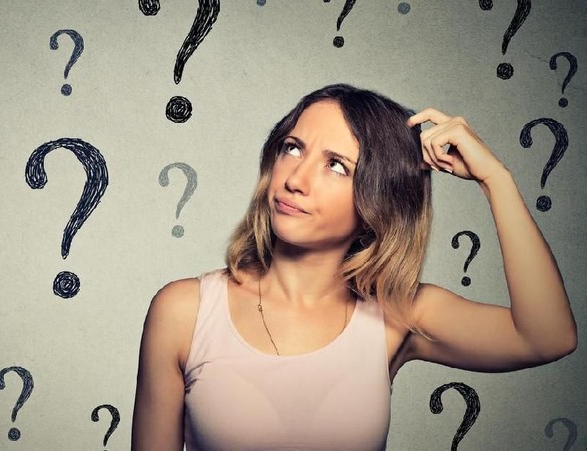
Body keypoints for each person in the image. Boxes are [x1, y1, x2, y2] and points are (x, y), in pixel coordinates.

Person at [131, 84, 577, 450]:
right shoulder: (185, 311)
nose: (295, 179)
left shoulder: (399, 315)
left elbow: (546, 337)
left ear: (378, 201)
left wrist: (494, 178)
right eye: (292, 148)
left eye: (337, 167)